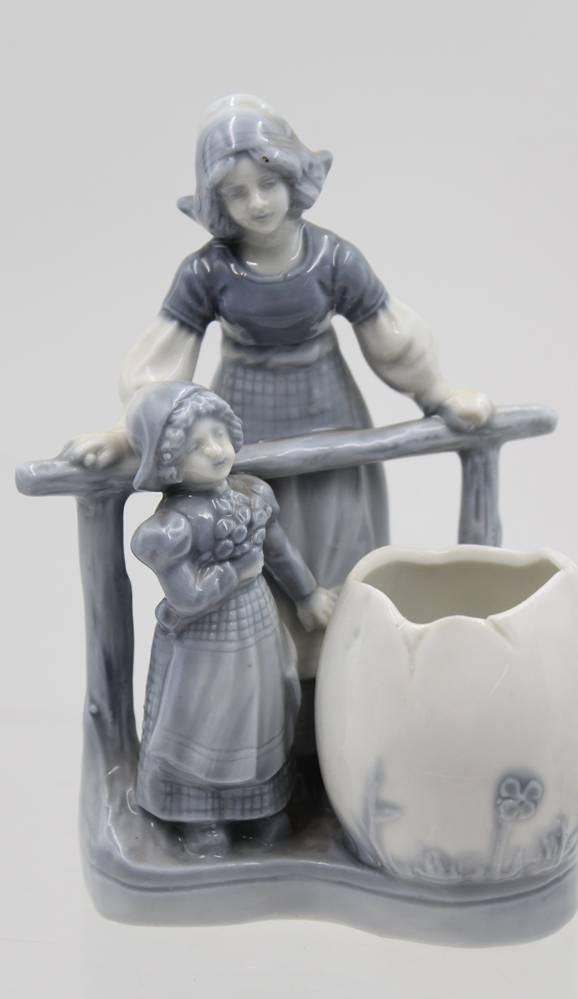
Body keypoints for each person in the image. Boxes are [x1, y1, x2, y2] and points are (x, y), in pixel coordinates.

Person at [62, 93, 492, 691]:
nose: (257, 203)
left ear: (293, 177)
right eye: (237, 192)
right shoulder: (207, 272)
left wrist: (438, 394)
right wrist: (126, 431)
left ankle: (345, 696)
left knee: (338, 553)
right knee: (255, 554)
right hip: (238, 437)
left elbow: (390, 335)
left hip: (331, 422)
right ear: (218, 202)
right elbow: (163, 358)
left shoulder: (333, 259)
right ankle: (274, 704)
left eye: (267, 183)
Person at [126, 381, 336, 855]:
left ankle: (261, 806)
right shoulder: (174, 527)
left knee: (260, 712)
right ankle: (201, 816)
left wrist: (307, 594)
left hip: (256, 625)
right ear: (168, 461)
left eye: (219, 434)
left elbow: (278, 550)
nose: (216, 450)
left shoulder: (252, 495)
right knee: (207, 721)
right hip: (204, 640)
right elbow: (186, 596)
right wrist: (236, 573)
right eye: (196, 446)